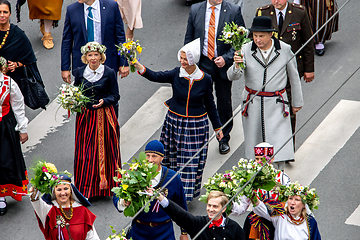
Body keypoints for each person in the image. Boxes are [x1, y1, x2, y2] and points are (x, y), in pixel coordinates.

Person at [132, 39, 223, 202]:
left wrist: (218, 128)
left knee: (190, 161)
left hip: (196, 126)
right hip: (174, 122)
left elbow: (210, 104)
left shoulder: (205, 79)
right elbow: (155, 76)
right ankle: (165, 189)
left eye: (185, 59)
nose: (181, 61)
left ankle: (184, 195)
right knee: (170, 157)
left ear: (193, 60)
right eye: (180, 58)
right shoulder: (176, 73)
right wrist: (139, 67)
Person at [227, 16, 303, 170]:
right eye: (255, 35)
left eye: (261, 36)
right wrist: (236, 65)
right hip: (252, 104)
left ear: (271, 35)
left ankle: (277, 176)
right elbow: (232, 76)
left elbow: (294, 76)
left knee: (278, 144)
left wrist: (297, 103)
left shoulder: (285, 49)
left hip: (277, 104)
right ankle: (255, 176)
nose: (257, 39)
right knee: (254, 145)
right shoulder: (246, 49)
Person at [184, 0, 245, 155]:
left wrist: (227, 57)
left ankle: (223, 138)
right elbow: (189, 38)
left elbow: (241, 40)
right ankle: (196, 135)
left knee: (223, 101)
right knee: (198, 98)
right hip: (203, 62)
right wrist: (188, 62)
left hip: (222, 64)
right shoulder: (196, 9)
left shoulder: (233, 10)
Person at [256, 0, 314, 149]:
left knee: (289, 109)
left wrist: (309, 69)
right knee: (269, 108)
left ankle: (288, 147)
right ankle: (269, 145)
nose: (276, 1)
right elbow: (254, 42)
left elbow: (307, 42)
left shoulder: (299, 12)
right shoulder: (263, 12)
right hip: (269, 69)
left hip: (291, 69)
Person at [113, 140, 189, 240]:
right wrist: (123, 202)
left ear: (162, 158)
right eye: (147, 155)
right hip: (140, 231)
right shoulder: (134, 174)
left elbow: (181, 205)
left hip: (164, 232)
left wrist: (184, 232)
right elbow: (117, 195)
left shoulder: (172, 177)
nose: (150, 160)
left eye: (154, 156)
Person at [73, 42, 121, 199]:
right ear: (85, 57)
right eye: (90, 55)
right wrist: (73, 101)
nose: (93, 58)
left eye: (95, 55)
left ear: (101, 56)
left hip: (104, 117)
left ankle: (108, 187)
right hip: (86, 118)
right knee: (85, 152)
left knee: (105, 151)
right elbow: (75, 92)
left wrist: (105, 101)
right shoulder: (79, 72)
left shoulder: (109, 72)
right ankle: (86, 189)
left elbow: (115, 95)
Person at [231, 142, 291, 240]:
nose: (259, 162)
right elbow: (242, 207)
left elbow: (288, 204)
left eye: (263, 159)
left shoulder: (283, 178)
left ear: (272, 159)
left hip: (277, 222)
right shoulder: (251, 180)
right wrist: (229, 205)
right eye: (257, 159)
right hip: (256, 224)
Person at [61, 0, 129, 85]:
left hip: (107, 63)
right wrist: (65, 68)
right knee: (84, 96)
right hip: (82, 64)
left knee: (108, 97)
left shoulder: (111, 6)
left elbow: (120, 36)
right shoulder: (72, 10)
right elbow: (67, 41)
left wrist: (123, 63)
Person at [0, 0, 48, 110]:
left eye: (5, 12)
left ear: (10, 14)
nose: (2, 15)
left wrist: (16, 65)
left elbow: (30, 59)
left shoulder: (18, 35)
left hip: (12, 83)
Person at [29, 175, 100, 240]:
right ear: (54, 192)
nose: (63, 193)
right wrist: (34, 194)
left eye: (66, 189)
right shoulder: (49, 210)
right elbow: (36, 202)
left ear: (71, 190)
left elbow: (91, 236)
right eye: (59, 190)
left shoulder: (82, 210)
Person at [0, 56, 29, 215]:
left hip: (4, 126)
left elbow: (18, 105)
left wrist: (22, 129)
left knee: (5, 160)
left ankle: (1, 195)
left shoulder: (9, 83)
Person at [156, 190, 246, 240]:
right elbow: (179, 214)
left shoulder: (234, 228)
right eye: (209, 205)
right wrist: (160, 198)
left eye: (215, 206)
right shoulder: (198, 223)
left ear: (224, 208)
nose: (211, 209)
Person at [251, 182, 321, 240]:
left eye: (297, 200)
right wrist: (252, 196)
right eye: (290, 198)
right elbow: (261, 209)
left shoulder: (310, 222)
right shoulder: (280, 216)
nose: (292, 202)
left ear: (303, 205)